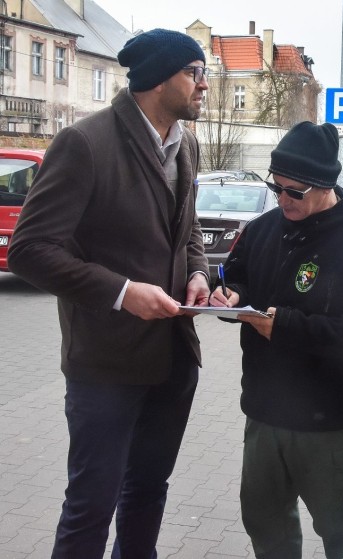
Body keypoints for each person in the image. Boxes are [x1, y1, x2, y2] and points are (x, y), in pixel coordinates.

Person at [7, 29, 210, 557]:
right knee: (91, 507)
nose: (203, 85)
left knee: (146, 493)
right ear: (160, 78)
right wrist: (122, 292)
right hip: (105, 364)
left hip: (172, 356)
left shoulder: (185, 143)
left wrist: (198, 274)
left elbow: (186, 232)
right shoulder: (85, 142)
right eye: (194, 72)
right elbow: (30, 250)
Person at [207, 121, 343, 559]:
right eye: (277, 187)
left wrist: (287, 327)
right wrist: (231, 294)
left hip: (326, 426)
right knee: (265, 527)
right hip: (263, 414)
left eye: (295, 191)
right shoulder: (264, 228)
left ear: (325, 185)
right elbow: (238, 276)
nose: (282, 199)